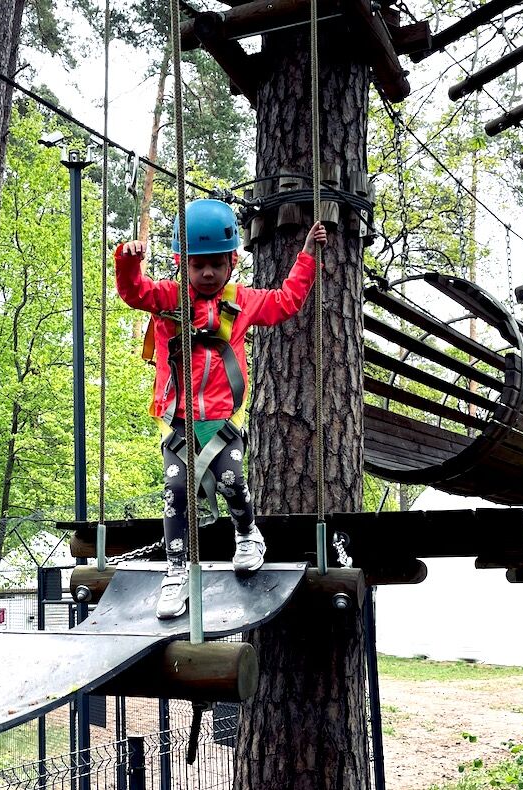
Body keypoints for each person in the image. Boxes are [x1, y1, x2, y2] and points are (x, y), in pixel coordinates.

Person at [115, 198, 326, 619]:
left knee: (231, 480)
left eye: (216, 264)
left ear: (232, 262)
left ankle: (247, 534)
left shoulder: (241, 302)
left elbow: (286, 301)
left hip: (222, 419)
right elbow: (133, 292)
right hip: (178, 420)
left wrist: (306, 257)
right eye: (198, 266)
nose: (207, 273)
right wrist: (128, 260)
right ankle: (176, 571)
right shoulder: (167, 297)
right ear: (182, 264)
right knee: (176, 492)